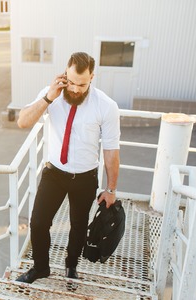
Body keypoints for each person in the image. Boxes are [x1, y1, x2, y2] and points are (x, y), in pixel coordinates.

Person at [15, 52, 120, 286]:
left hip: (85, 177)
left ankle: (71, 265)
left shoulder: (106, 106)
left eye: (81, 84)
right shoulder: (51, 93)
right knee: (38, 223)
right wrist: (48, 98)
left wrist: (111, 189)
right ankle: (41, 267)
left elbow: (111, 150)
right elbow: (23, 121)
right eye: (71, 81)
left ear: (92, 77)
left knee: (79, 226)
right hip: (54, 173)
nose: (74, 89)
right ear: (65, 73)